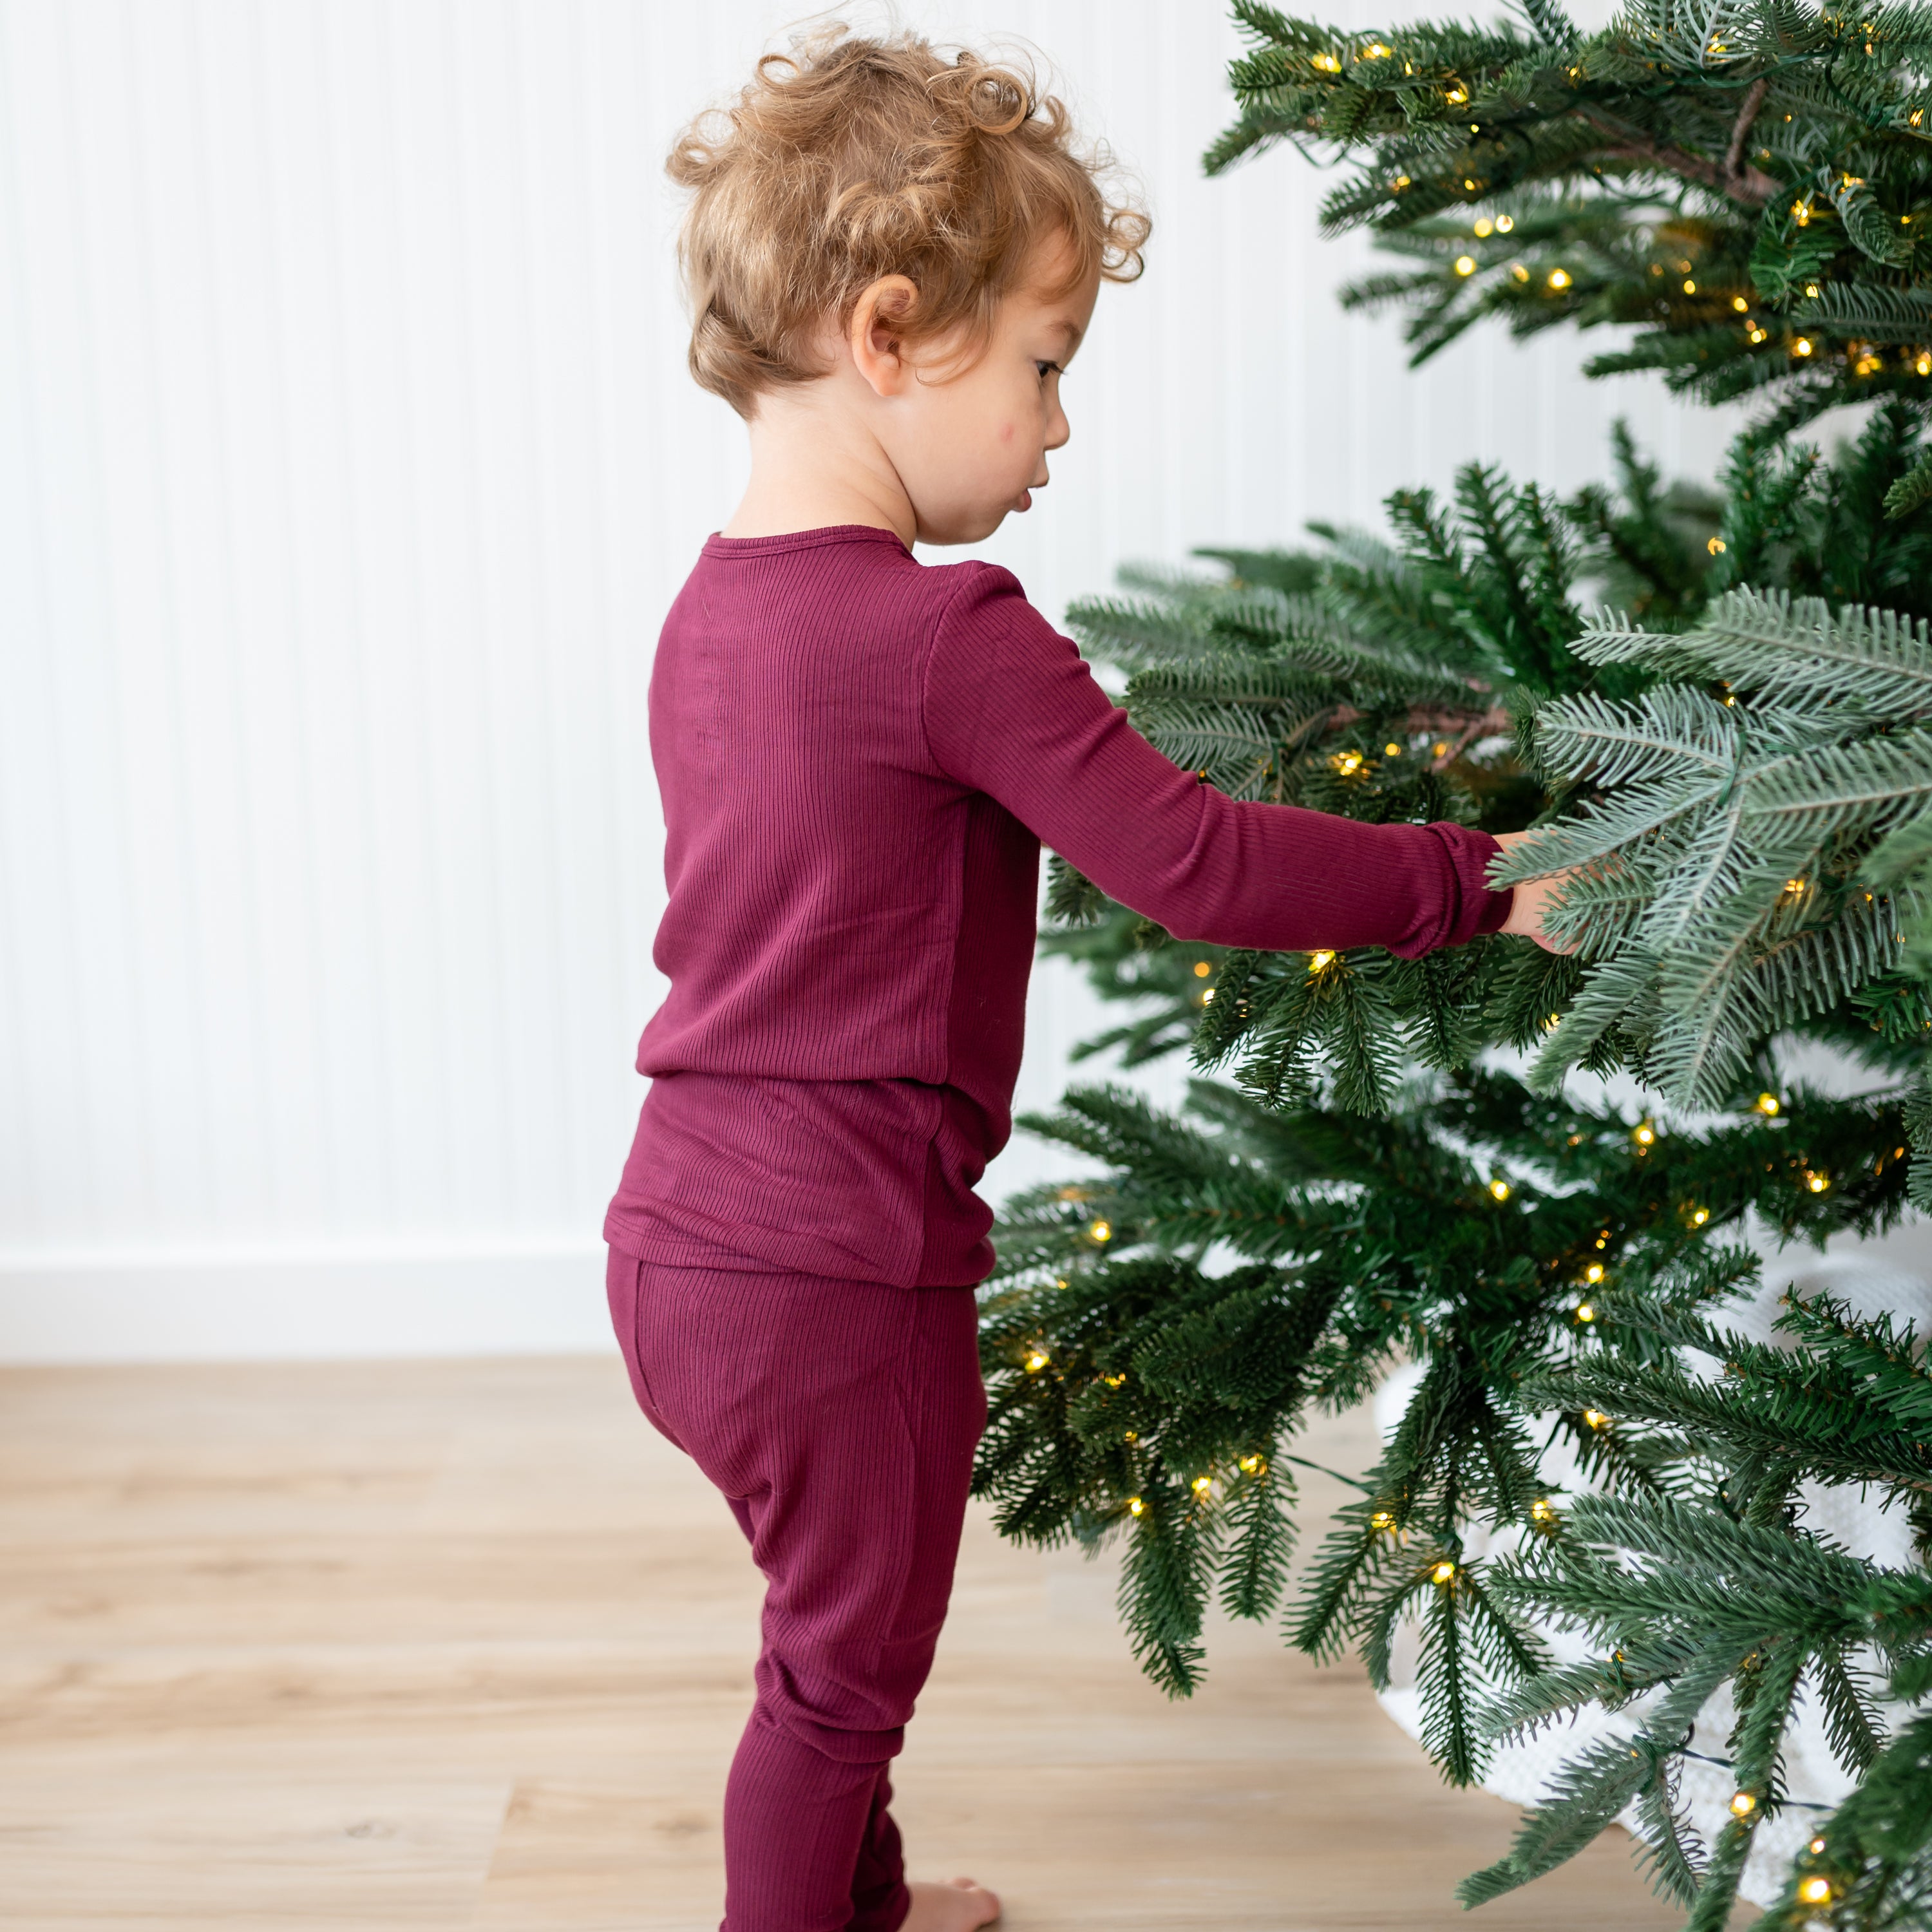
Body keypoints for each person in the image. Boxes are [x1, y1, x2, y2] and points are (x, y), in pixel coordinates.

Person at [602, 25, 1567, 1932]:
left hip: (679, 1244)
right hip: (838, 1270)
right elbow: (1192, 861)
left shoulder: (707, 616)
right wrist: (1481, 883)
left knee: (827, 1647)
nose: (1057, 429)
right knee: (839, 1680)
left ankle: (857, 1905)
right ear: (890, 334)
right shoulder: (944, 634)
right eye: (1045, 368)